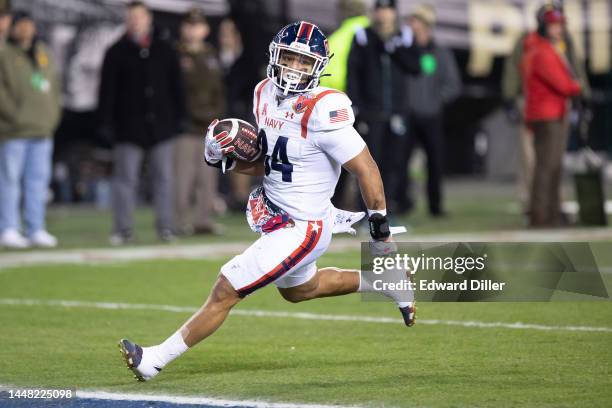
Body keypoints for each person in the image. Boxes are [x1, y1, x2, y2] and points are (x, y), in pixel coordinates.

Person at [118, 21, 415, 381]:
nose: (294, 68)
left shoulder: (324, 109)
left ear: (318, 67)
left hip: (303, 226)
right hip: (276, 213)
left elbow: (367, 169)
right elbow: (269, 162)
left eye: (304, 63)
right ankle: (385, 282)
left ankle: (154, 360)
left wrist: (380, 229)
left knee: (226, 289)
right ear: (275, 56)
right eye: (289, 58)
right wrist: (225, 160)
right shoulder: (263, 93)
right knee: (301, 290)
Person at [98, 1, 184, 244]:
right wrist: (105, 123)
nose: (135, 21)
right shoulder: (115, 51)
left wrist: (179, 118)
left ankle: (166, 226)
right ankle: (123, 229)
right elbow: (106, 92)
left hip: (162, 127)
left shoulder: (165, 49)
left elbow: (177, 88)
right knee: (125, 180)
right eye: (131, 17)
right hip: (127, 128)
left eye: (139, 16)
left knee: (164, 178)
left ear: (149, 19)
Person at [503, 2, 590, 218]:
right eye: (553, 23)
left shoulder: (562, 42)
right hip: (540, 106)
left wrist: (583, 97)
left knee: (552, 161)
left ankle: (551, 206)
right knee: (536, 161)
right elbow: (559, 79)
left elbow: (574, 69)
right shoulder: (534, 44)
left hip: (556, 105)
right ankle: (537, 208)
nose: (558, 28)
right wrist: (510, 98)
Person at [346, 0, 421, 213]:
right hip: (371, 113)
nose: (384, 14)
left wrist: (396, 49)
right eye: (380, 9)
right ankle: (366, 211)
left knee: (395, 164)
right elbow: (353, 73)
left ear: (394, 13)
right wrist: (355, 105)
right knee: (368, 165)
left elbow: (417, 67)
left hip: (397, 112)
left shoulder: (404, 36)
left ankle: (389, 211)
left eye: (388, 9)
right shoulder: (363, 36)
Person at [0, 10, 62, 248]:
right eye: (21, 25)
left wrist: (52, 115)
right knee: (9, 180)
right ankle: (8, 227)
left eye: (29, 24)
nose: (26, 29)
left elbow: (55, 87)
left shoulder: (43, 52)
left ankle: (36, 227)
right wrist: (13, 116)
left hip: (42, 128)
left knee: (38, 181)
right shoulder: (5, 53)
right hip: (14, 130)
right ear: (13, 28)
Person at [521, 7, 582, 227]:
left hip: (550, 112)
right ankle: (542, 216)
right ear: (544, 26)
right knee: (547, 167)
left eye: (559, 24)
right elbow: (564, 84)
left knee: (551, 167)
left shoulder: (543, 47)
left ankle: (552, 214)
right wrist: (578, 86)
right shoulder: (541, 50)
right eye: (554, 25)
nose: (559, 28)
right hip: (548, 115)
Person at [401, 4, 461, 216]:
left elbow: (453, 84)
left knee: (435, 163)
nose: (411, 25)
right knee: (401, 163)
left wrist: (436, 101)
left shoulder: (440, 52)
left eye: (415, 21)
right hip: (407, 116)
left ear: (426, 25)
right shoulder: (404, 52)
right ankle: (402, 203)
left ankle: (435, 206)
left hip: (431, 116)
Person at [173, 9, 224, 236]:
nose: (193, 29)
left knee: (207, 177)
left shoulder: (211, 55)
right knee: (183, 177)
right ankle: (180, 221)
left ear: (205, 29)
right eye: (189, 25)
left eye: (197, 25)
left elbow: (220, 90)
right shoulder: (176, 55)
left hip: (208, 127)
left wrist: (218, 117)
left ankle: (203, 221)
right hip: (185, 125)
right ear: (183, 28)